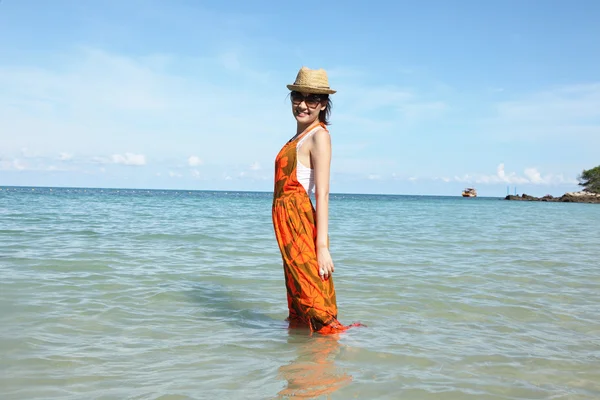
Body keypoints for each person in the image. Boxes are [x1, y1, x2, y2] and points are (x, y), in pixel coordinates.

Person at [272, 66, 362, 335]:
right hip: (287, 224)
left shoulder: (319, 137)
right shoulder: (297, 138)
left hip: (299, 221)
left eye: (311, 99)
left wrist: (321, 246)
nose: (302, 105)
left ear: (323, 104)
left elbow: (322, 193)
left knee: (312, 292)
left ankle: (330, 360)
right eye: (297, 97)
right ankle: (303, 364)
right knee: (298, 294)